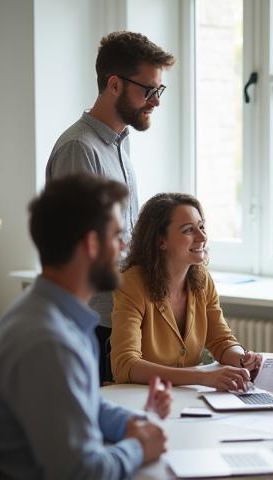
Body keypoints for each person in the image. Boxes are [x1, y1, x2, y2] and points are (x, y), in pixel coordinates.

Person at [0, 174, 171, 479]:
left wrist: (131, 424)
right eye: (117, 235)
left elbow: (85, 404)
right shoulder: (49, 342)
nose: (125, 246)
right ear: (92, 244)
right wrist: (138, 446)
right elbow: (83, 473)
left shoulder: (51, 315)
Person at [46, 31, 175, 382]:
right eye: (148, 90)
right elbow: (79, 247)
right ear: (114, 84)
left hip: (120, 313)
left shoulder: (119, 144)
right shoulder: (79, 148)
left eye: (159, 90)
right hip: (94, 320)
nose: (156, 101)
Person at [110, 193, 262, 390]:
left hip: (188, 397)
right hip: (143, 398)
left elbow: (221, 341)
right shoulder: (132, 283)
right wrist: (201, 376)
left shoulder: (202, 280)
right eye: (188, 230)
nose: (202, 237)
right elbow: (125, 365)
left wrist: (242, 358)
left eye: (201, 227)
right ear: (160, 241)